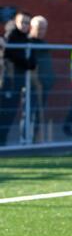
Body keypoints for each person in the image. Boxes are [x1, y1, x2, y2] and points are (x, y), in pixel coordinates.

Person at [2, 13, 37, 144]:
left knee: (11, 114)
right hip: (7, 82)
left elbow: (32, 62)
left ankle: (3, 142)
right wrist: (25, 62)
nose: (24, 25)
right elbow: (10, 55)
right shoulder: (10, 36)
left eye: (27, 23)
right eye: (22, 22)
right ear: (16, 22)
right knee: (4, 113)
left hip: (19, 82)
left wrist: (27, 63)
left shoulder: (27, 39)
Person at [29, 16, 55, 142]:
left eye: (44, 28)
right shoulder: (28, 42)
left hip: (45, 84)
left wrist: (50, 80)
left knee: (39, 114)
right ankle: (26, 139)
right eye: (39, 28)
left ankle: (36, 139)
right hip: (32, 85)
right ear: (32, 28)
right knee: (29, 113)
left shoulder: (44, 44)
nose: (41, 31)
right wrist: (36, 82)